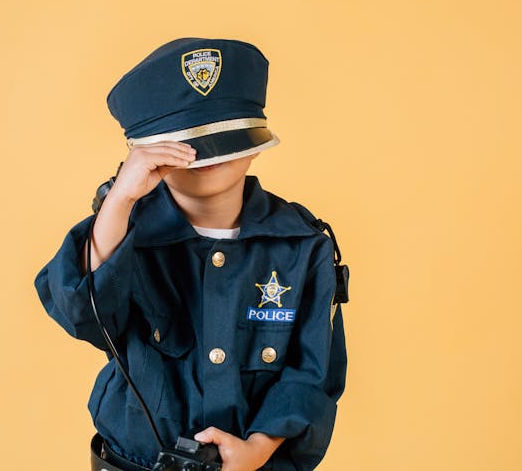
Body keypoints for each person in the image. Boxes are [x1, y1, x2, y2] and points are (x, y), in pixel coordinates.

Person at [34, 37, 347, 471]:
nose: (205, 156)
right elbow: (83, 314)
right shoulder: (125, 233)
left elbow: (312, 371)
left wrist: (258, 447)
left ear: (254, 141)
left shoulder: (302, 245)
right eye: (181, 144)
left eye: (224, 136)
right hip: (133, 462)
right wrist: (120, 200)